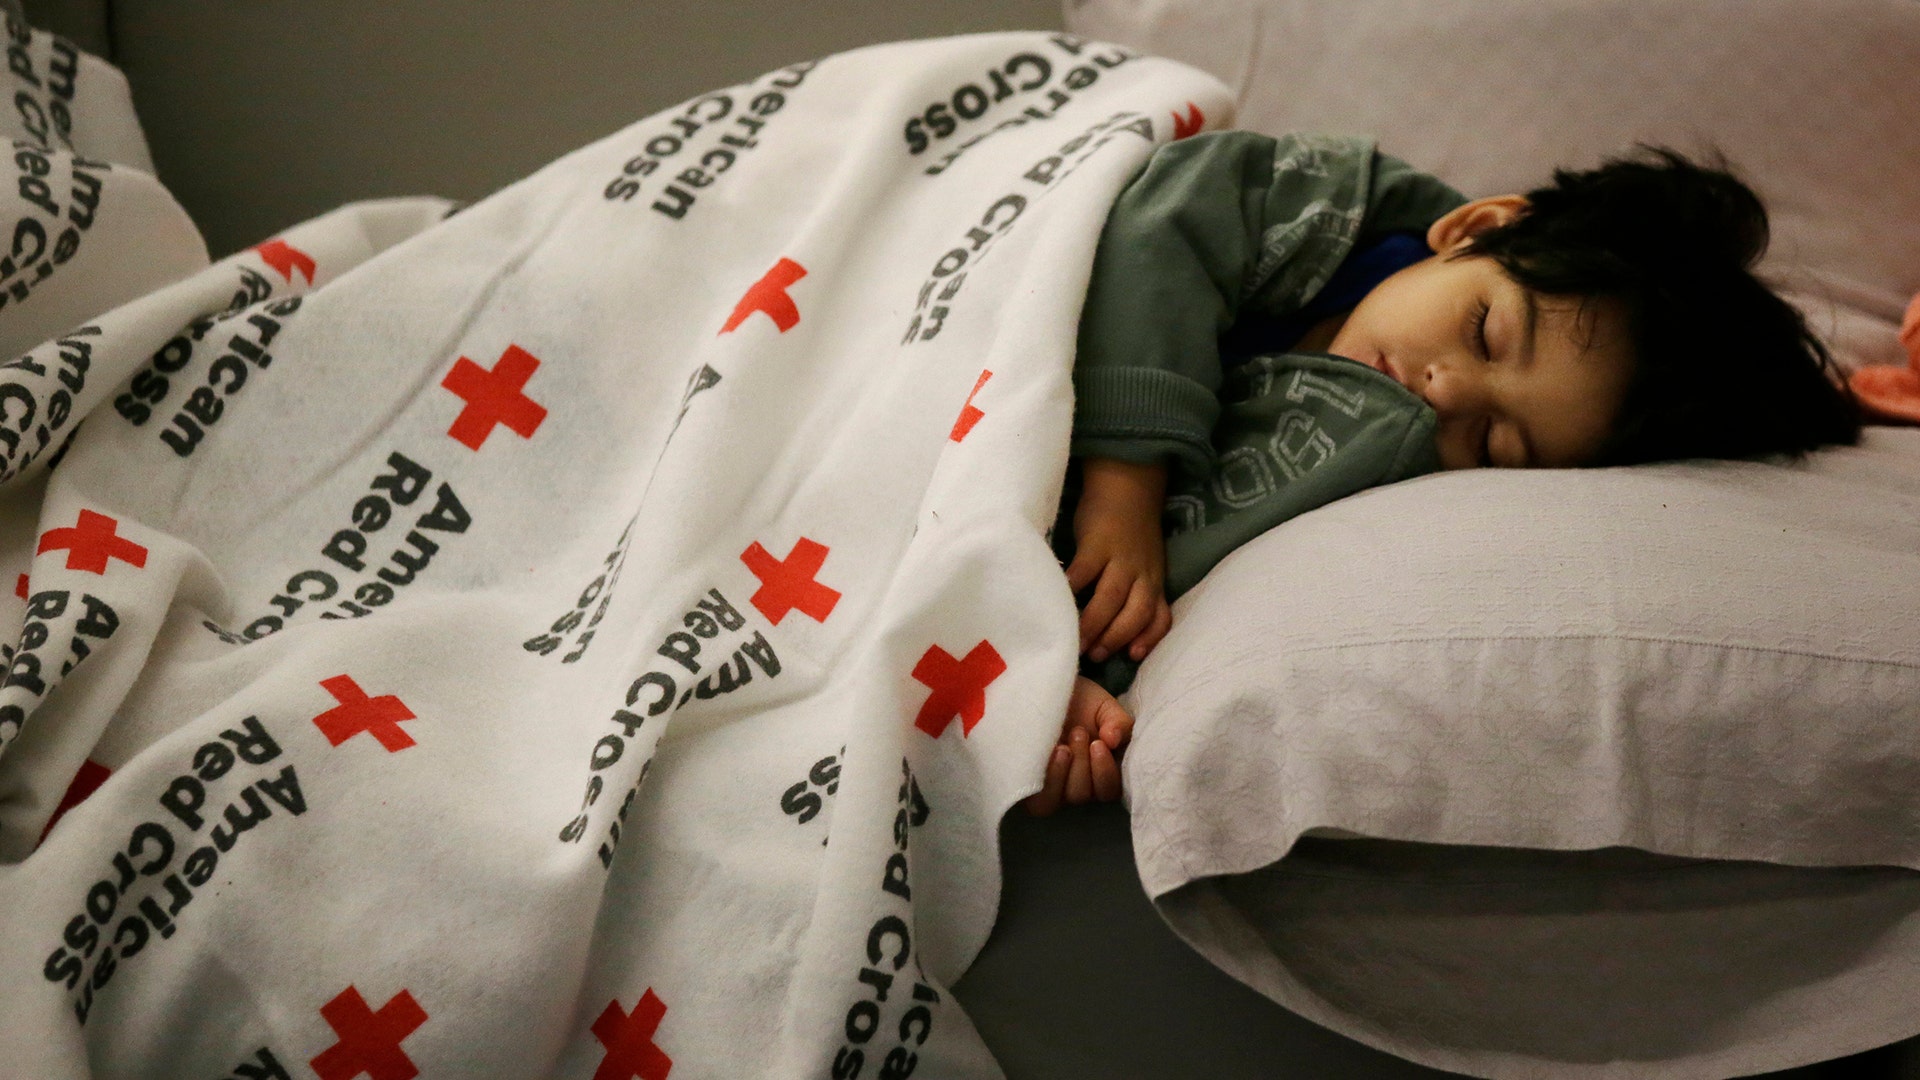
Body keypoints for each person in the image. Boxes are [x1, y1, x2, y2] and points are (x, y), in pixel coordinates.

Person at [1021, 132, 1863, 816]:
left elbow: (1171, 569)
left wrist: (1071, 683)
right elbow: (1166, 216)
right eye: (1486, 331)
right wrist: (1125, 480)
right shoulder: (1330, 214)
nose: (1448, 392)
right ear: (1475, 229)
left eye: (1495, 443)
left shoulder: (1378, 458)